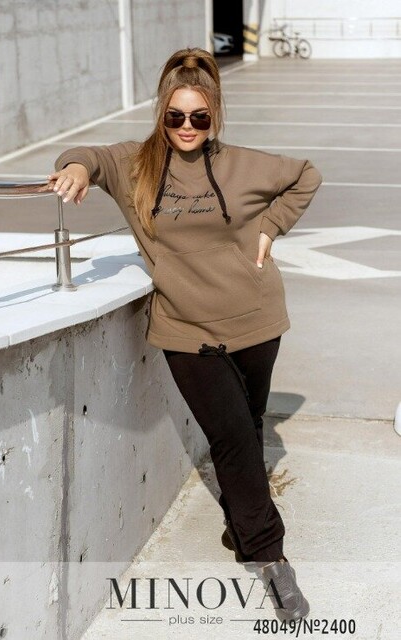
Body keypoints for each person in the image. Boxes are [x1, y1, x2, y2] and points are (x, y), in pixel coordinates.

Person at [47, 47, 322, 620]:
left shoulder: (243, 164)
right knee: (232, 435)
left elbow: (306, 175)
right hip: (185, 327)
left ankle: (241, 525)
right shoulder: (136, 164)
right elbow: (89, 156)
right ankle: (270, 556)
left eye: (199, 116)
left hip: (256, 319)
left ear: (214, 114)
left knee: (247, 424)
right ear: (162, 114)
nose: (187, 127)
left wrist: (270, 228)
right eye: (176, 116)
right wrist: (74, 167)